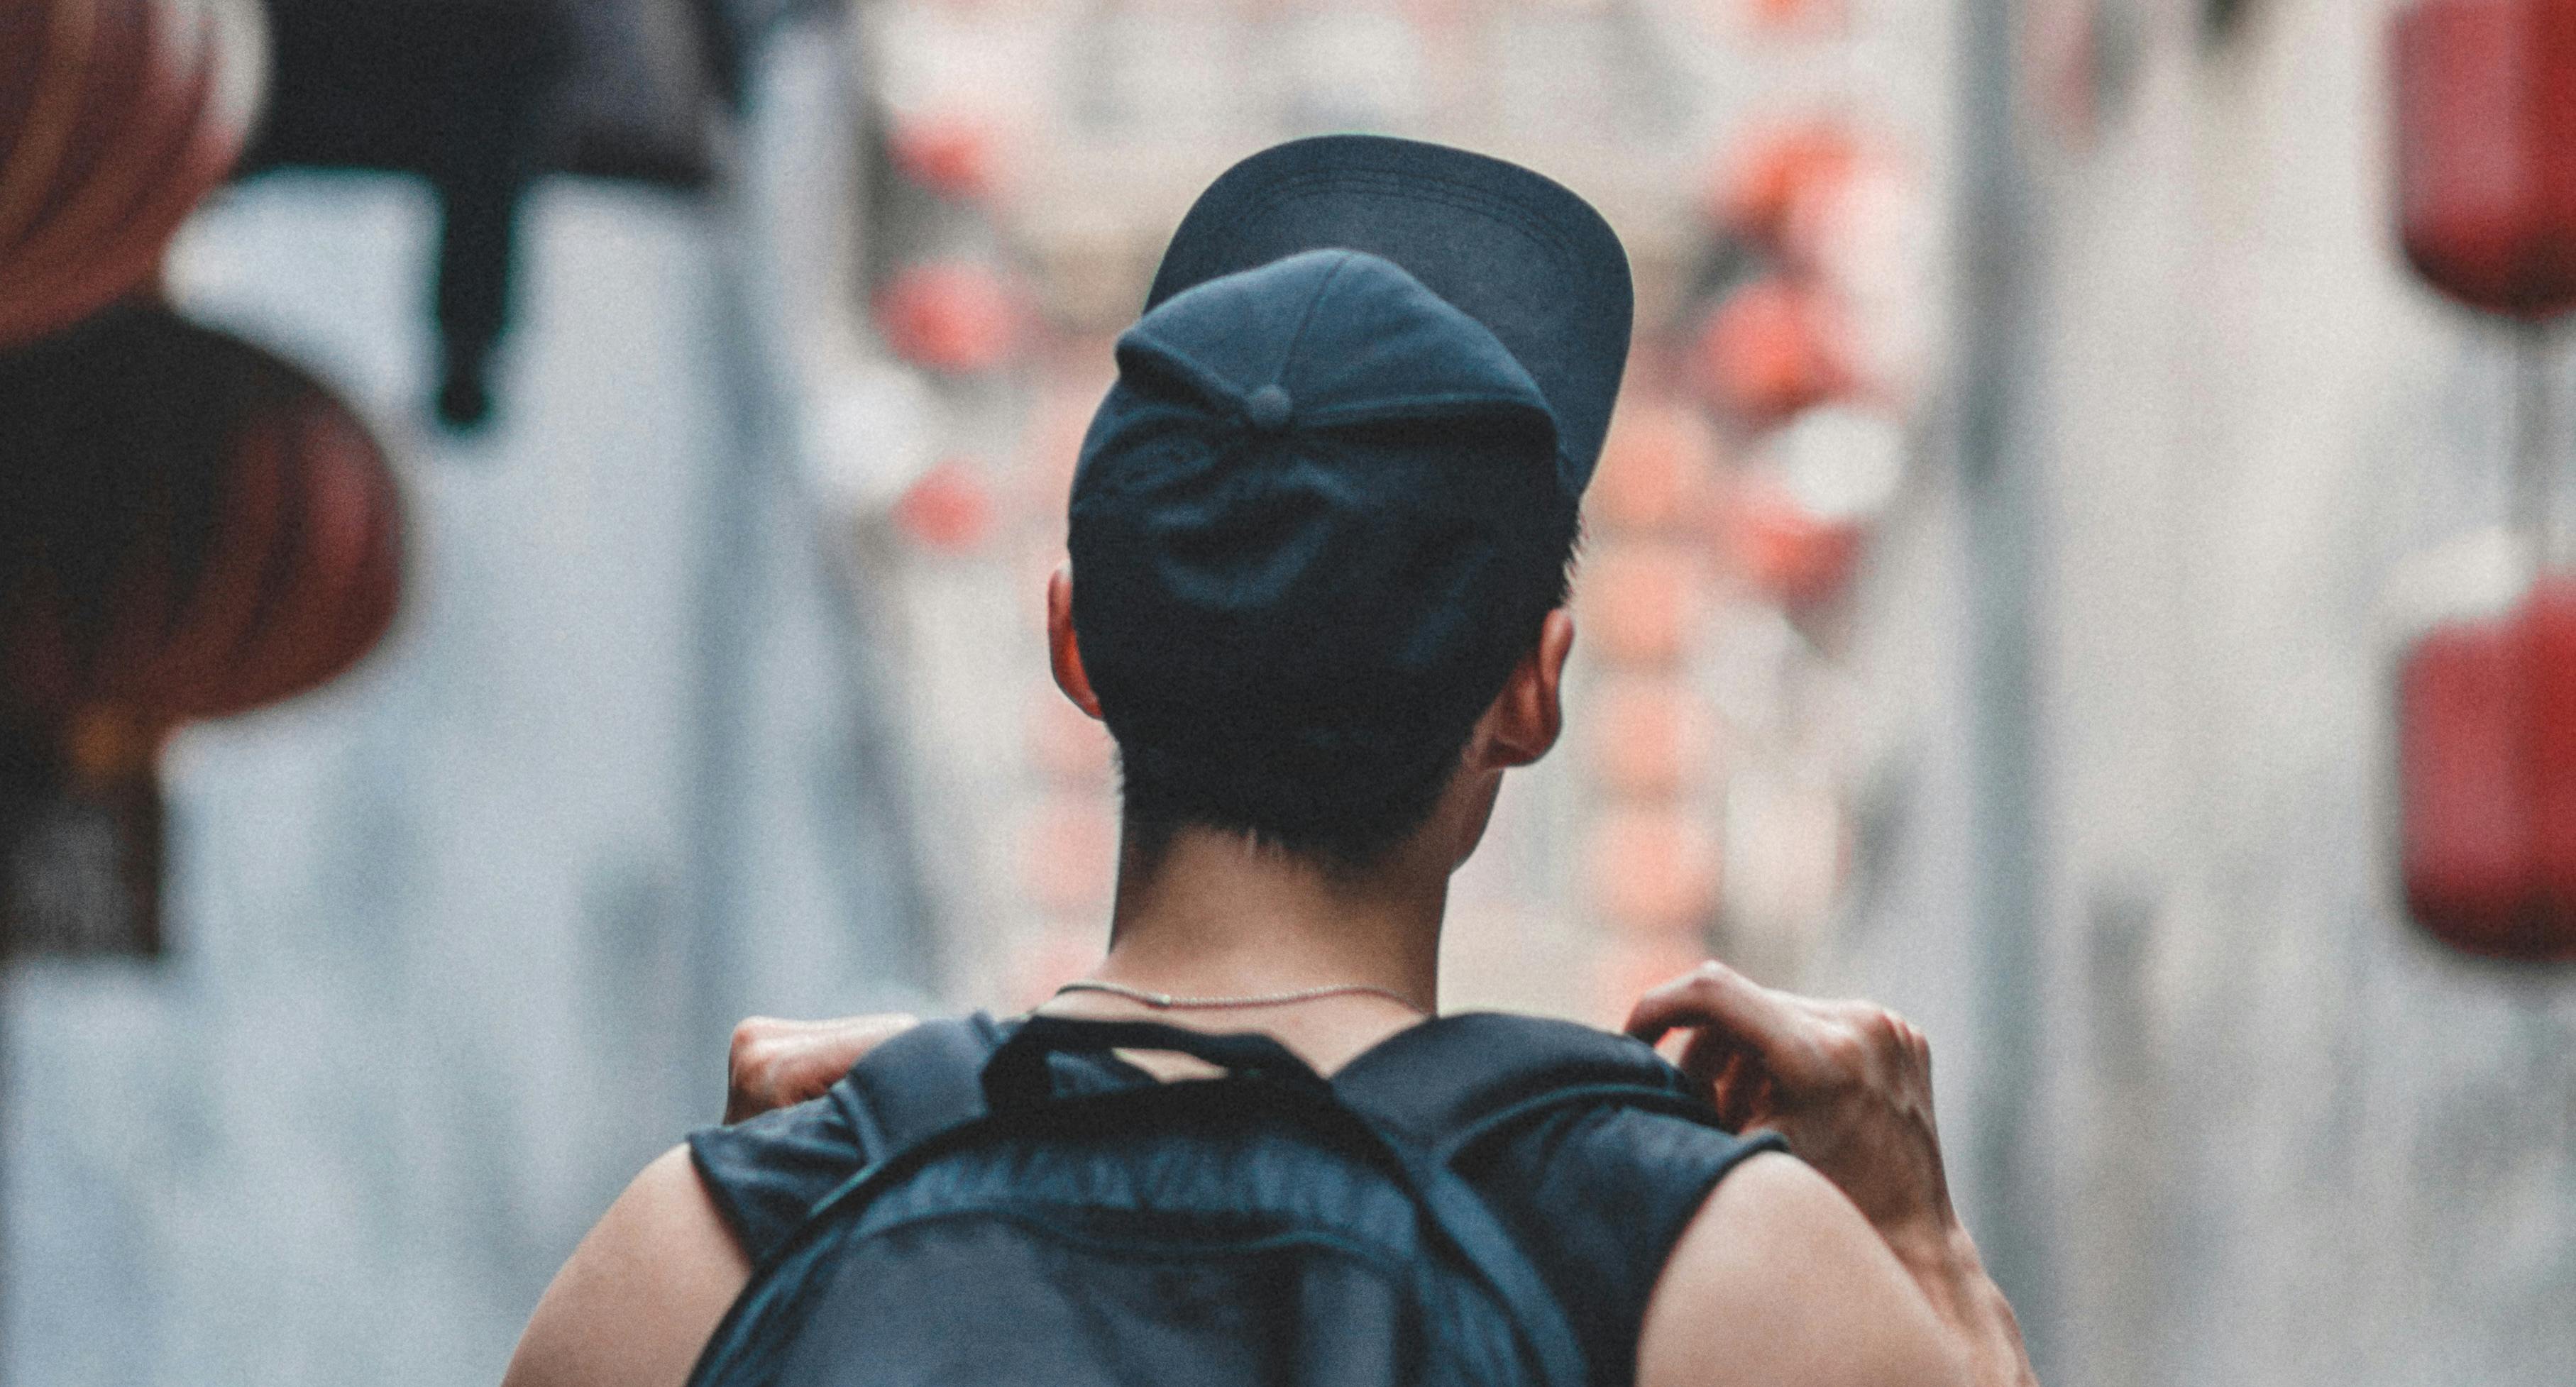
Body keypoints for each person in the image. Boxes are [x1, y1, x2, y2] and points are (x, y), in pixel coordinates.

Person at [500, 135, 2037, 1387]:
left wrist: (826, 1183)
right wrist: (1919, 1254)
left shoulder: (691, 1268)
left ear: (1075, 647)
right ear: (1533, 691)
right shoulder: (1717, 1281)